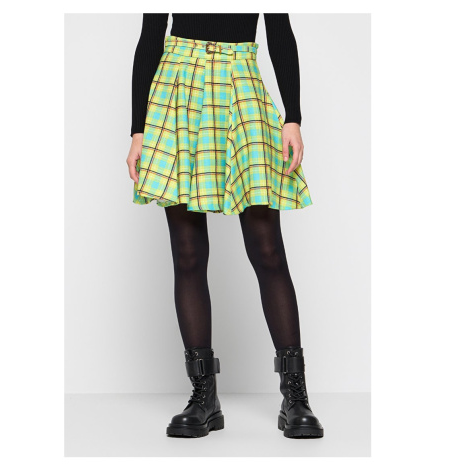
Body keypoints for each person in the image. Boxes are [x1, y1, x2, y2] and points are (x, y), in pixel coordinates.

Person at [126, 13, 323, 439]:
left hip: (240, 81)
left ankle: (296, 396)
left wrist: (293, 116)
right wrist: (137, 130)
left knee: (267, 248)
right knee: (187, 253)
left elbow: (280, 30)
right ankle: (204, 396)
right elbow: (150, 36)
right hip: (177, 85)